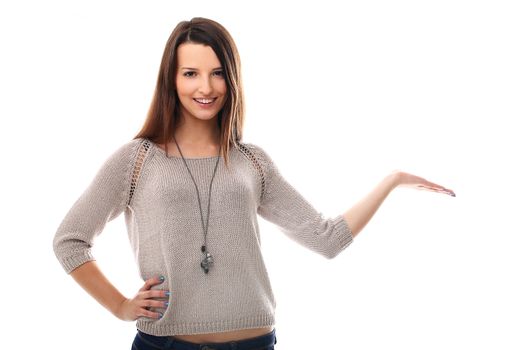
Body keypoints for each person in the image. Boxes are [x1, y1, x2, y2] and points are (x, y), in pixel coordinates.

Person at [52, 17, 455, 350]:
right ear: (171, 80)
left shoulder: (252, 162)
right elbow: (70, 240)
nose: (205, 88)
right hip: (166, 343)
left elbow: (326, 239)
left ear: (232, 80)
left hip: (253, 343)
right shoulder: (137, 158)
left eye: (217, 74)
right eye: (190, 73)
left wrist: (392, 181)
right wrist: (121, 306)